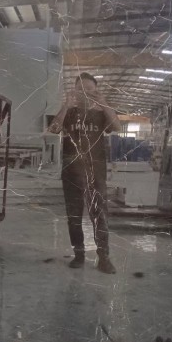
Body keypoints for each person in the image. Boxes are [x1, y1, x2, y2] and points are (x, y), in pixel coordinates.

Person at [48, 72, 121, 274]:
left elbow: (116, 126)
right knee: (74, 216)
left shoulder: (101, 113)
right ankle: (79, 255)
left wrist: (104, 103)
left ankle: (104, 257)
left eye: (89, 89)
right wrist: (66, 105)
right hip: (71, 173)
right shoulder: (69, 113)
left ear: (96, 91)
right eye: (81, 89)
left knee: (100, 216)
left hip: (95, 174)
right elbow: (54, 128)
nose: (85, 93)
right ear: (74, 91)